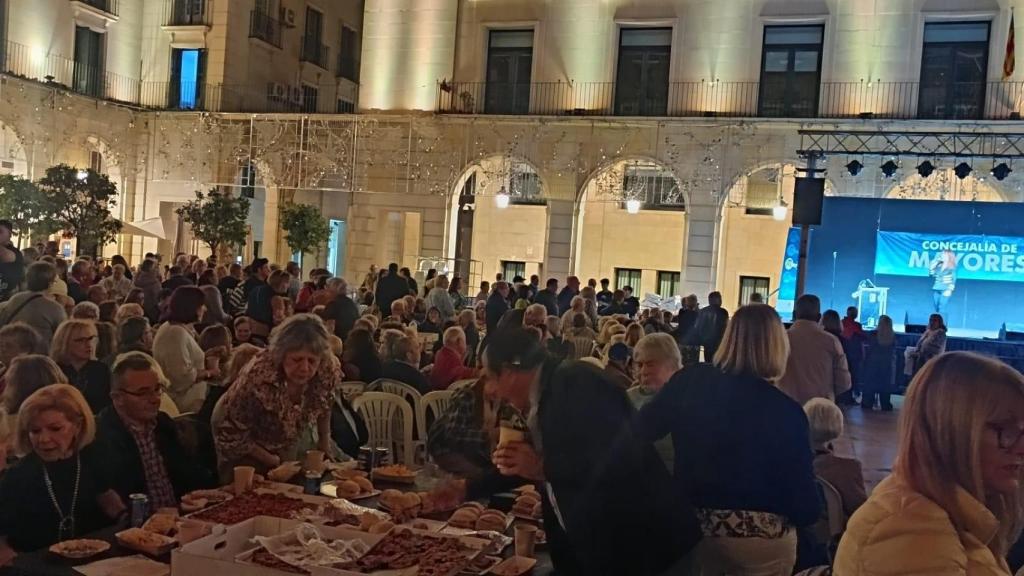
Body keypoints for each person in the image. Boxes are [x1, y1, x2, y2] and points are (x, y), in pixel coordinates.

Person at [472, 327, 700, 575]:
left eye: (490, 378)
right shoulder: (546, 394)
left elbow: (615, 458)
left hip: (645, 548)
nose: (490, 390)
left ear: (509, 372)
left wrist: (541, 466)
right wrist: (467, 488)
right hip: (608, 549)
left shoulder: (577, 382)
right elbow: (549, 465)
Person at [635, 304, 820, 576]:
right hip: (762, 549)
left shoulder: (690, 381)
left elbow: (637, 431)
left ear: (728, 338)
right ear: (778, 347)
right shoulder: (788, 413)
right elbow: (805, 507)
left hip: (692, 536)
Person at [835, 352, 1024, 575]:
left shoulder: (949, 514)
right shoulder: (909, 531)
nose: (1021, 448)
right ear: (952, 432)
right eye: (1008, 431)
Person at [0, 385, 125, 561]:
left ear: (78, 426)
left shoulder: (93, 457)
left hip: (96, 560)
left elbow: (106, 496)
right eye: (35, 431)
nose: (43, 439)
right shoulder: (17, 477)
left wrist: (129, 519)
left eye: (55, 428)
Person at [213, 314, 339, 481]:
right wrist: (272, 460)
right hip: (236, 431)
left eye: (312, 361)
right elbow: (232, 433)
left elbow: (325, 402)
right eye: (297, 359)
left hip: (281, 436)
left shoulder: (327, 368)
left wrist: (324, 440)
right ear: (282, 354)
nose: (305, 368)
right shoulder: (258, 376)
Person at [95, 353, 209, 508]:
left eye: (157, 389)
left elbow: (190, 475)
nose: (155, 398)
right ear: (117, 398)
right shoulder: (100, 436)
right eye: (143, 393)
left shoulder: (163, 423)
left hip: (181, 517)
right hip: (134, 527)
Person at [152, 286, 219, 413]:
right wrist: (210, 372)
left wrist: (205, 356)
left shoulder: (176, 328)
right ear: (192, 307)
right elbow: (181, 377)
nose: (204, 309)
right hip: (183, 400)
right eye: (201, 305)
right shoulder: (175, 333)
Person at [778, 294, 852, 406]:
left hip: (785, 406)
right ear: (818, 317)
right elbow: (844, 382)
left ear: (794, 314)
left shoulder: (779, 339)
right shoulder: (831, 341)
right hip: (821, 408)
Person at [804, 398, 866, 521]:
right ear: (838, 426)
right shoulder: (848, 469)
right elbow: (860, 512)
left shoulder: (790, 465)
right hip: (834, 535)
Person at [627, 333, 679, 471]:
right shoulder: (627, 398)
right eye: (639, 364)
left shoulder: (687, 399)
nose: (643, 371)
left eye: (650, 364)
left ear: (671, 364)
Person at [0, 261, 67, 347]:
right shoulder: (55, 308)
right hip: (39, 355)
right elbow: (62, 338)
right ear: (50, 284)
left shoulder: (14, 299)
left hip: (12, 352)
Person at [51, 320, 112, 414]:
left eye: (91, 338)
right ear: (64, 343)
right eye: (80, 340)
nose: (88, 344)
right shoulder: (54, 369)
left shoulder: (101, 369)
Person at [1, 355, 69, 425]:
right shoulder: (71, 420)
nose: (4, 391)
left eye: (10, 383)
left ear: (24, 388)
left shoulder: (7, 426)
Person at [378, 329, 431, 394]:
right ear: (409, 355)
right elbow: (428, 399)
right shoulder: (418, 379)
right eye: (417, 348)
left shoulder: (384, 368)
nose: (419, 351)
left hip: (387, 403)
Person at [860, 314, 895, 411]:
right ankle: (885, 404)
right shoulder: (893, 337)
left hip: (872, 363)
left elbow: (868, 347)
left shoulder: (872, 334)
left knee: (870, 384)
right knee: (885, 385)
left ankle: (867, 403)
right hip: (886, 364)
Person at [687, 291, 729, 362]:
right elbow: (726, 327)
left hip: (706, 342)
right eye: (720, 298)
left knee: (708, 361)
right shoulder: (723, 312)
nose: (721, 301)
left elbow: (697, 327)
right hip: (719, 342)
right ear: (717, 300)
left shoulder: (703, 311)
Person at [0, 220, 24, 303]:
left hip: (7, 304)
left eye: (0, 231)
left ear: (9, 235)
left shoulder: (14, 252)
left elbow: (4, 255)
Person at [133, 258, 163, 323]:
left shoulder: (136, 279)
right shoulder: (154, 283)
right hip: (152, 312)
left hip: (137, 310)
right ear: (151, 269)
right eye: (156, 267)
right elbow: (158, 298)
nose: (158, 270)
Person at [929, 248, 957, 315]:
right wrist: (935, 263)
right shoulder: (938, 266)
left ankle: (941, 323)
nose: (942, 255)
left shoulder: (952, 268)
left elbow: (954, 279)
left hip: (946, 289)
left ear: (949, 257)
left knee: (942, 307)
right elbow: (931, 274)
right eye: (942, 254)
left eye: (944, 254)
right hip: (937, 287)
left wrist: (950, 289)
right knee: (936, 306)